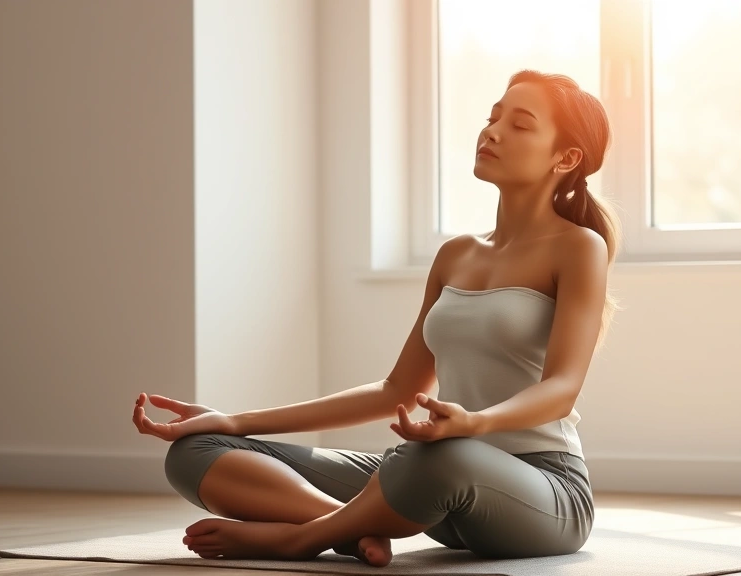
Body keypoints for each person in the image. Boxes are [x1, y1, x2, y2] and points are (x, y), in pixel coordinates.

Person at [132, 69, 620, 566]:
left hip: (543, 491)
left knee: (430, 457)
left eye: (519, 124)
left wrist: (473, 424)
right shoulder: (456, 254)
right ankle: (352, 530)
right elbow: (397, 391)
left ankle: (301, 538)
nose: (492, 132)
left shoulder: (580, 248)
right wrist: (234, 421)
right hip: (434, 483)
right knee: (196, 450)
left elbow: (562, 388)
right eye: (492, 118)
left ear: (566, 158)